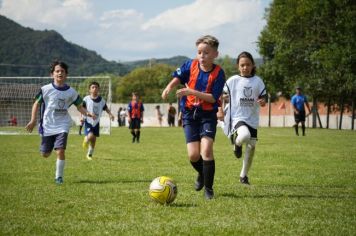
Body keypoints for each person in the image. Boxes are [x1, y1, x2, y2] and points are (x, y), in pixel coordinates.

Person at [161, 35, 225, 199]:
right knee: (193, 155)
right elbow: (178, 77)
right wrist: (168, 88)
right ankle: (202, 174)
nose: (202, 56)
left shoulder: (218, 73)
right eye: (199, 52)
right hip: (190, 114)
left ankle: (209, 190)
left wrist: (190, 92)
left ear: (215, 54)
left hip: (207, 115)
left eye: (206, 53)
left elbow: (212, 98)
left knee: (207, 150)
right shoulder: (191, 65)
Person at [25, 60, 96, 184]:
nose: (60, 73)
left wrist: (88, 113)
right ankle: (49, 147)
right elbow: (36, 103)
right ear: (52, 74)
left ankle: (59, 177)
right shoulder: (45, 89)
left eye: (62, 71)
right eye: (57, 71)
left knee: (61, 151)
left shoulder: (71, 92)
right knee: (45, 154)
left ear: (66, 74)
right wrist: (33, 120)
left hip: (63, 124)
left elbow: (79, 106)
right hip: (47, 125)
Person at [222, 51, 267, 186]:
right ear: (238, 66)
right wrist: (221, 106)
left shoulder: (258, 81)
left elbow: (264, 97)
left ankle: (243, 176)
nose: (245, 67)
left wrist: (263, 102)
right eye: (242, 65)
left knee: (252, 147)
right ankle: (236, 143)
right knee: (244, 135)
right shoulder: (233, 80)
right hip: (238, 117)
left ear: (253, 65)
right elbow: (222, 95)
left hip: (252, 118)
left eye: (248, 65)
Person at [82, 81, 115, 160]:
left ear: (99, 89)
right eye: (93, 87)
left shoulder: (101, 100)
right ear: (90, 90)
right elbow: (82, 108)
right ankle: (86, 140)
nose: (94, 89)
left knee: (94, 140)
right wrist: (81, 117)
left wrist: (110, 114)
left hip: (96, 122)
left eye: (96, 87)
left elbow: (106, 108)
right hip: (88, 121)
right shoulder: (86, 99)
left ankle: (89, 154)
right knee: (90, 136)